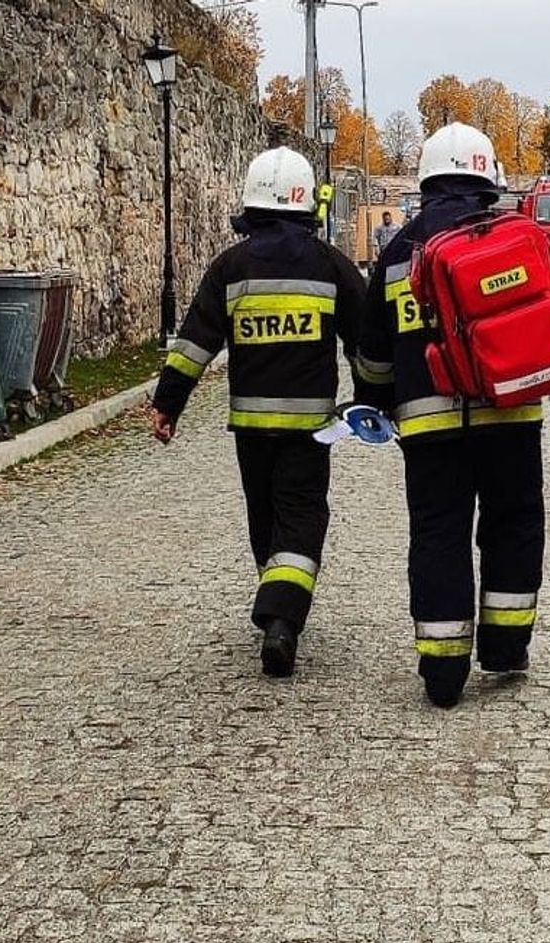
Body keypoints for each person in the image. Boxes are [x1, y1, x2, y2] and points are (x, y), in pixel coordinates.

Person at [356, 122, 550, 709]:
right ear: (490, 179)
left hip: (428, 425)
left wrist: (380, 401)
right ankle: (507, 647)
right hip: (511, 411)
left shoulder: (397, 252)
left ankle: (442, 670)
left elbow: (370, 350)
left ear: (428, 179)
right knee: (513, 523)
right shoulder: (522, 237)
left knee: (438, 534)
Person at [150, 146, 368, 679]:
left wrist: (167, 404)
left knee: (264, 517)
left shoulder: (231, 266)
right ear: (305, 204)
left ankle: (276, 601)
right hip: (311, 430)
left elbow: (194, 343)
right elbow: (367, 342)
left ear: (252, 205)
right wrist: (372, 400)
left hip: (250, 427)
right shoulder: (330, 265)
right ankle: (282, 620)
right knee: (302, 517)